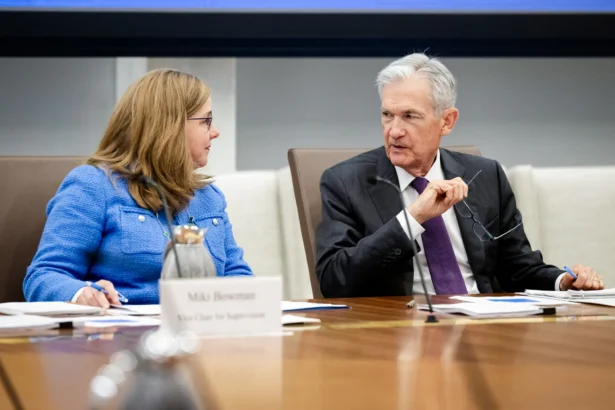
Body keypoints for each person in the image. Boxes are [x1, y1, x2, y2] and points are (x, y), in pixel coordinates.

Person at [316, 53, 604, 298]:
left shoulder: (485, 175)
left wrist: (563, 282)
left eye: (409, 116)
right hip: (400, 331)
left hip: (485, 326)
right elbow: (333, 279)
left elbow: (518, 267)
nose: (394, 130)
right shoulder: (346, 182)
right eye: (387, 115)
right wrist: (413, 218)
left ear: (447, 121)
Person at [24, 69, 253, 307]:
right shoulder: (93, 185)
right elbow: (44, 276)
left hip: (203, 336)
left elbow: (238, 275)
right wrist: (83, 293)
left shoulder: (209, 197)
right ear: (169, 125)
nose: (215, 132)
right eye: (206, 121)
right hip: (118, 338)